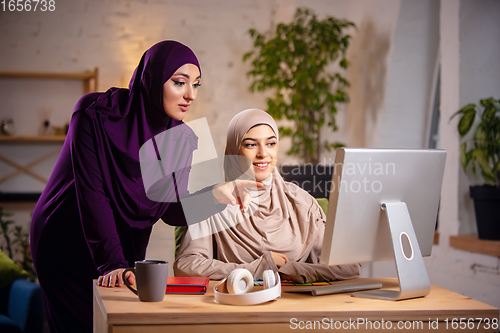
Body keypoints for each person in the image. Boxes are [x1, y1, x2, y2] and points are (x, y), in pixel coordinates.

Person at [30, 41, 256, 333]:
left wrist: (217, 194)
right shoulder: (94, 114)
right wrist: (112, 262)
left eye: (196, 85)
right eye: (179, 83)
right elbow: (92, 194)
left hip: (123, 241)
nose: (190, 95)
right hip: (66, 236)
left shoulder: (181, 137)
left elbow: (170, 212)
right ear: (151, 79)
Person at [174, 109, 360, 283]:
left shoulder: (300, 202)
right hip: (237, 306)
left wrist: (299, 271)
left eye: (271, 143)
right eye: (251, 145)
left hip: (297, 308)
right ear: (234, 150)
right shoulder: (215, 199)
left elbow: (349, 265)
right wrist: (256, 269)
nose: (263, 154)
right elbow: (186, 265)